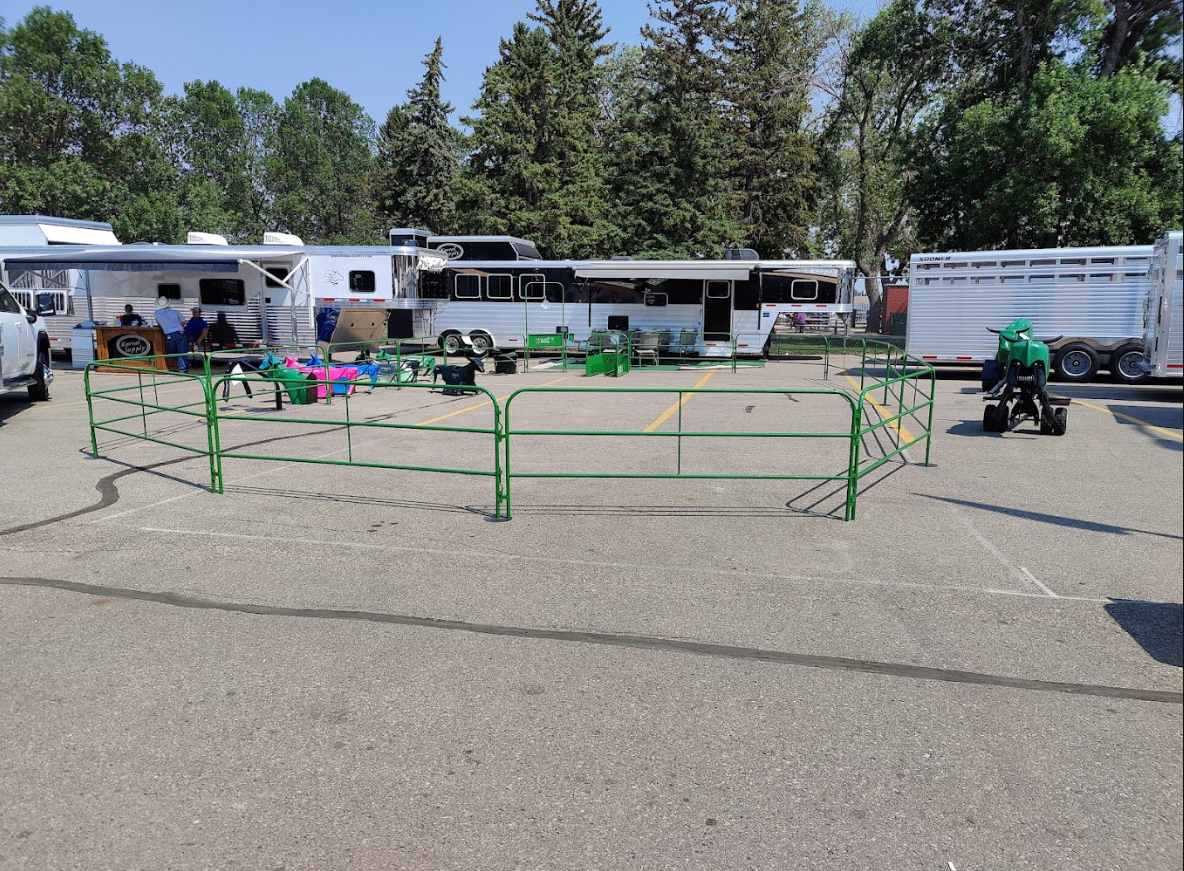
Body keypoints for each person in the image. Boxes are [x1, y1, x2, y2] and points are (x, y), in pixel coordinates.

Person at [154, 296, 188, 372]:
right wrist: (178, 326)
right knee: (182, 351)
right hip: (180, 332)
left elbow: (159, 324)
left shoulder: (157, 314)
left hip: (169, 334)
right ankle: (183, 366)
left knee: (170, 351)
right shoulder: (176, 312)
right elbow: (183, 322)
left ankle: (184, 364)